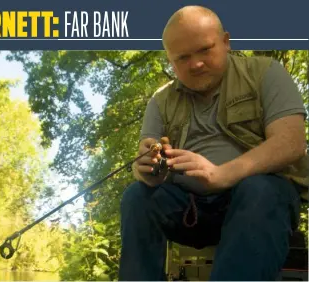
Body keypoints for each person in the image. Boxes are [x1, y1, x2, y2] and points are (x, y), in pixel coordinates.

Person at [118, 5, 309, 281]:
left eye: (205, 50)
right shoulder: (160, 101)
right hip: (189, 210)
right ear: (171, 62)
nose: (195, 63)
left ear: (226, 42)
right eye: (182, 57)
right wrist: (147, 170)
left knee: (260, 189)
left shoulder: (266, 73)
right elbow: (145, 163)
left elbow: (292, 142)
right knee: (136, 197)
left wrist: (221, 175)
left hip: (258, 205)